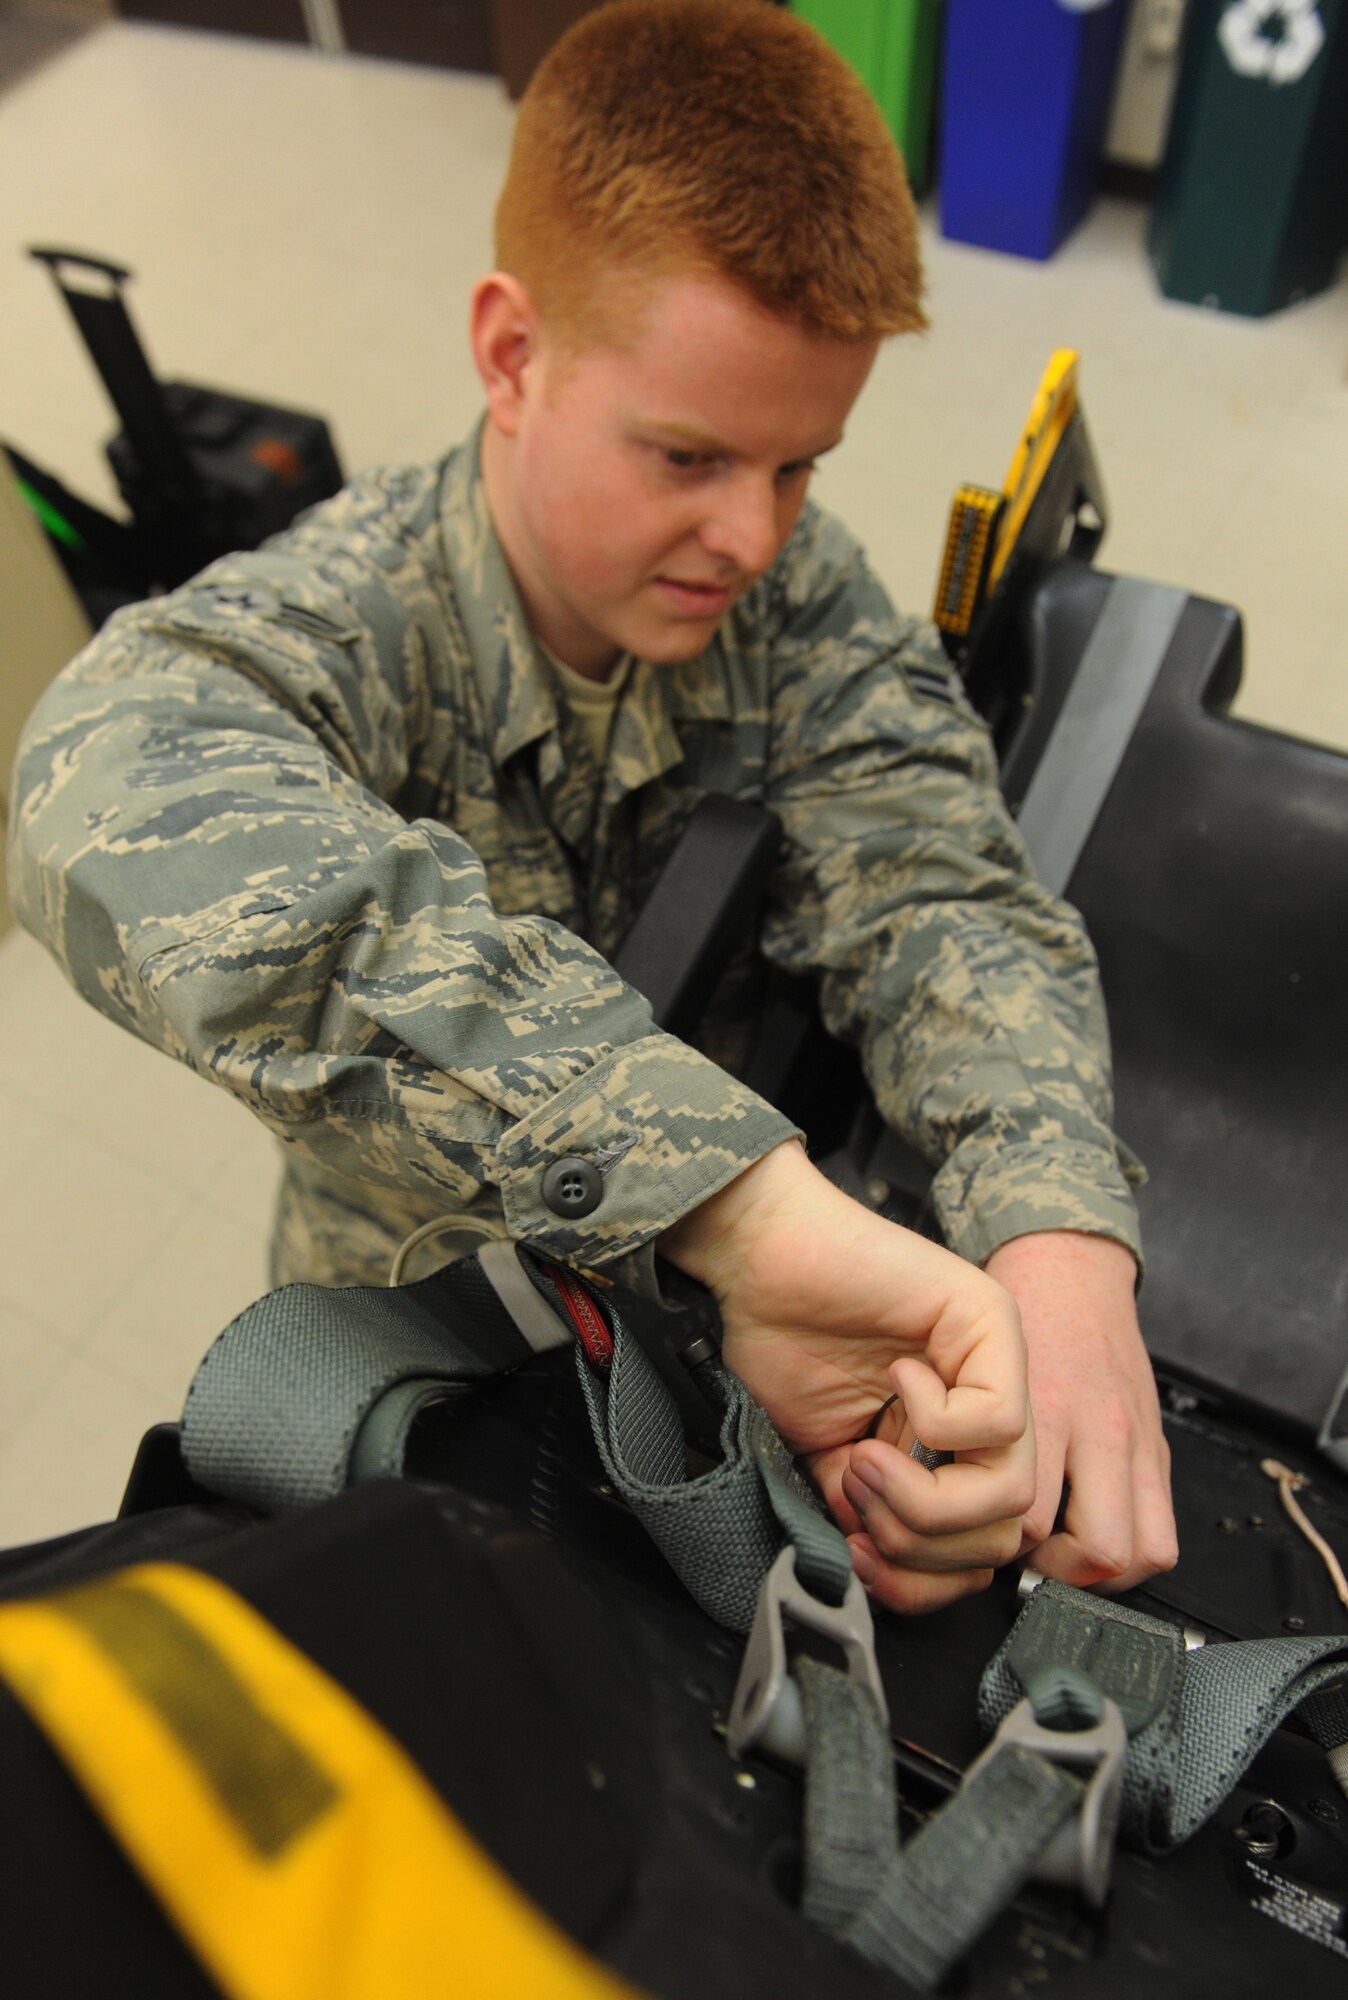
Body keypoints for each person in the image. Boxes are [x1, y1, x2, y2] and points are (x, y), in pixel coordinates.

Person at [6, 0, 1175, 1614]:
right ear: (510, 351)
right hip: (421, 1313)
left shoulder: (789, 596)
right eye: (688, 454)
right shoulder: (368, 617)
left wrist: (1056, 1239)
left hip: (726, 1325)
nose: (752, 536)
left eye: (800, 466)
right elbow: (100, 768)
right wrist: (724, 1195)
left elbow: (938, 894)